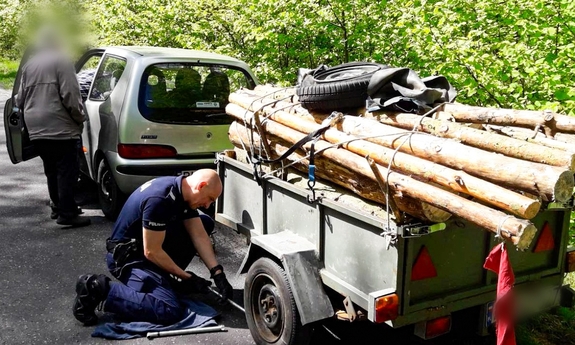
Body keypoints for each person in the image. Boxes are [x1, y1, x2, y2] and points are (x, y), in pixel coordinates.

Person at [72, 169, 233, 325]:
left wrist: (218, 273)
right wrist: (187, 277)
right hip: (128, 259)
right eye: (210, 198)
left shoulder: (181, 190)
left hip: (146, 249)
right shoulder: (160, 199)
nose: (207, 205)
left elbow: (199, 235)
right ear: (201, 186)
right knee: (169, 309)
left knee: (204, 223)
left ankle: (165, 281)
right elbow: (152, 252)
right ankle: (97, 289)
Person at [16, 28, 90, 227]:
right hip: (59, 125)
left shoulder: (30, 64)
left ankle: (58, 207)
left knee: (51, 168)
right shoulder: (62, 61)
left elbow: (20, 99)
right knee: (67, 170)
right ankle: (67, 214)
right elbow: (71, 96)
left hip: (35, 127)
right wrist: (80, 117)